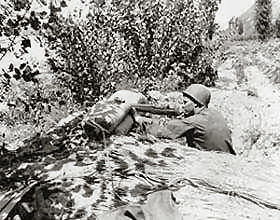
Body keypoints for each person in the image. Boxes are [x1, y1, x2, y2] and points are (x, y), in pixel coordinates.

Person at [165, 84, 236, 155]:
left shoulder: (195, 121)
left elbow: (164, 131)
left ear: (196, 103)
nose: (182, 106)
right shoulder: (216, 114)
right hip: (229, 160)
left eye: (185, 102)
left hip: (211, 162)